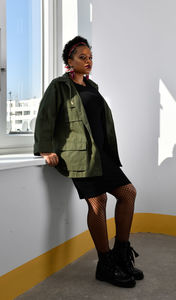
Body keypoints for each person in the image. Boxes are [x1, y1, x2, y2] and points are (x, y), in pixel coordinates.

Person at [34, 36, 144, 288]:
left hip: (101, 155)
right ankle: (105, 264)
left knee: (128, 193)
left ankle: (121, 254)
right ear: (69, 61)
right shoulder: (59, 87)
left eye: (90, 57)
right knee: (99, 203)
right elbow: (45, 118)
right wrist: (44, 150)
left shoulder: (92, 86)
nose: (88, 61)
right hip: (79, 155)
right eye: (82, 57)